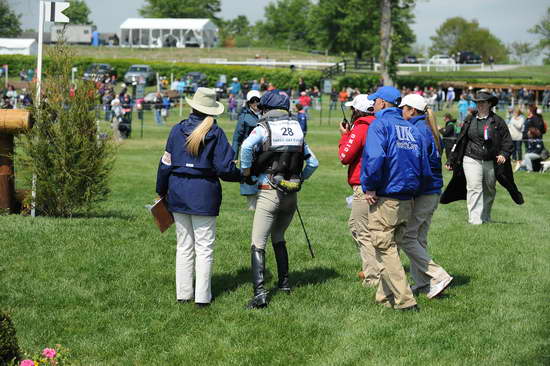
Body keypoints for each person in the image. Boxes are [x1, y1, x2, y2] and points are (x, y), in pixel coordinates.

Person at [156, 88, 241, 307]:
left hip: (178, 191)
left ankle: (183, 294)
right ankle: (203, 297)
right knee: (204, 248)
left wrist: (161, 190)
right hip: (204, 193)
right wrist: (243, 176)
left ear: (193, 105)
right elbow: (225, 168)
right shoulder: (216, 133)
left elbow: (165, 164)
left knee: (184, 246)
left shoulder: (176, 130)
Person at [240, 89, 319, 309]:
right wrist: (299, 178)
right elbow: (313, 162)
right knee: (278, 236)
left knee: (258, 241)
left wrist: (246, 171)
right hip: (291, 194)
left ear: (266, 108)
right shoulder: (297, 128)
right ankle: (284, 284)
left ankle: (260, 295)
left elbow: (246, 146)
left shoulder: (263, 128)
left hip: (268, 191)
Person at [361, 86, 431, 311]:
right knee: (391, 248)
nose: (373, 105)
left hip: (386, 196)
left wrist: (370, 187)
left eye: (375, 101)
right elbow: (423, 164)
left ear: (382, 103)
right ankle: (384, 296)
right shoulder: (411, 128)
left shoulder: (379, 124)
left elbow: (374, 157)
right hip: (407, 196)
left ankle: (405, 300)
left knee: (384, 247)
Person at [399, 94, 453, 298]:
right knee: (418, 238)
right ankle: (422, 282)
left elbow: (419, 166)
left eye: (404, 108)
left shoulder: (416, 130)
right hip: (432, 190)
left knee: (407, 237)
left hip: (425, 191)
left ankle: (438, 276)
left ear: (412, 111)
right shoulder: (426, 128)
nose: (401, 112)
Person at [441, 91, 523, 224]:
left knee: (489, 189)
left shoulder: (497, 121)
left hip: (491, 160)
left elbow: (507, 141)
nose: (479, 105)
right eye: (478, 102)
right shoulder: (469, 119)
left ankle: (485, 216)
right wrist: (451, 159)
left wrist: (504, 154)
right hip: (471, 157)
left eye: (482, 102)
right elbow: (460, 140)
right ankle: (475, 220)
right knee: (474, 187)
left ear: (489, 104)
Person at [337, 94, 379, 288]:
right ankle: (372, 266)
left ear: (358, 111)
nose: (351, 112)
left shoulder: (362, 127)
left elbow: (344, 156)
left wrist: (345, 135)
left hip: (364, 185)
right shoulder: (378, 124)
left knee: (362, 231)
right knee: (357, 226)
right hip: (377, 184)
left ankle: (373, 276)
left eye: (353, 109)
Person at [232, 90, 262, 210]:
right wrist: (234, 157)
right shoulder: (244, 117)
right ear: (249, 103)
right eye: (252, 101)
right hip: (249, 154)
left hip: (265, 154)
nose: (255, 103)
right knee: (250, 182)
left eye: (257, 100)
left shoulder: (267, 115)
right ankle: (251, 208)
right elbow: (236, 139)